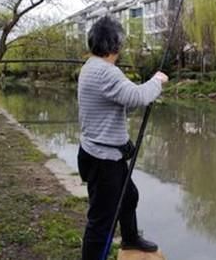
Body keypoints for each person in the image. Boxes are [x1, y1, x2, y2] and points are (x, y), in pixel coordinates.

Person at [77, 16, 168, 260]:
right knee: (101, 222)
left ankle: (130, 239)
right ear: (115, 45)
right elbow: (137, 96)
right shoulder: (106, 71)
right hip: (103, 159)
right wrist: (157, 81)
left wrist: (139, 98)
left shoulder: (91, 67)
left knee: (129, 197)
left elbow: (123, 102)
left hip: (100, 153)